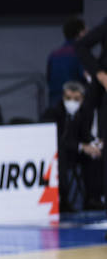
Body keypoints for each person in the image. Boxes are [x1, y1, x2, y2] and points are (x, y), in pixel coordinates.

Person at [41, 81, 102, 212]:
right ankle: (63, 200)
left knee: (94, 156)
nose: (72, 102)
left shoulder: (83, 113)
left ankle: (93, 198)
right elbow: (57, 140)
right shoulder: (53, 113)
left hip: (74, 152)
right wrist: (81, 147)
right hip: (57, 152)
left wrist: (95, 144)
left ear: (82, 99)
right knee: (61, 156)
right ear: (63, 97)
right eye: (68, 98)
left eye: (76, 99)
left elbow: (85, 135)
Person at [48, 18, 88, 100]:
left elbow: (49, 78)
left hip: (55, 101)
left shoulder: (53, 55)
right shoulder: (81, 53)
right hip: (76, 100)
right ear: (80, 33)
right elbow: (88, 78)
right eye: (86, 32)